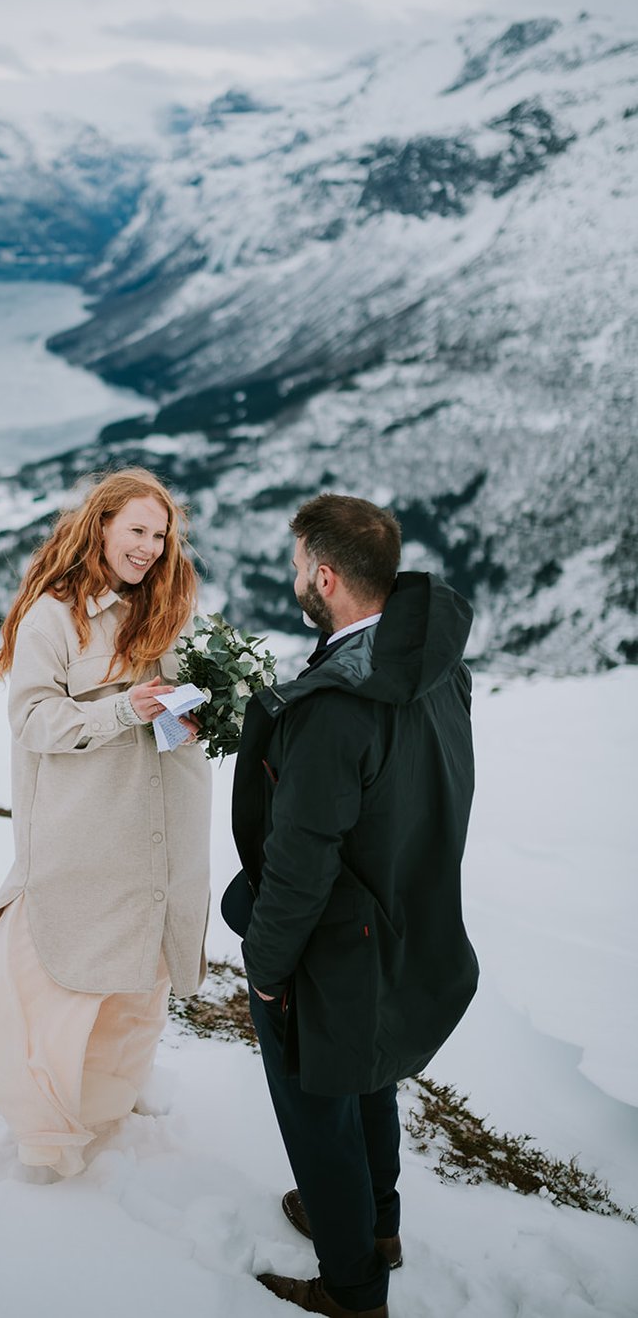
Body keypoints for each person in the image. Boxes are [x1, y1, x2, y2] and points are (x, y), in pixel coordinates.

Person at [223, 493, 478, 1318]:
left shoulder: (337, 710)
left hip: (334, 941)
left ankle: (353, 1283)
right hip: (401, 916)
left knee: (318, 1109)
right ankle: (380, 1226)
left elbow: (299, 865)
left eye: (300, 564)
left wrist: (265, 970)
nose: (296, 574)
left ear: (325, 577)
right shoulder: (434, 666)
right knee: (369, 1078)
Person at [0, 467, 211, 1177]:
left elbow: (177, 698)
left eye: (159, 535)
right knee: (59, 969)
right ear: (101, 524)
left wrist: (197, 710)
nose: (148, 547)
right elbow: (33, 718)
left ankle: (107, 1097)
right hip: (86, 826)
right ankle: (41, 1121)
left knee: (140, 973)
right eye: (137, 530)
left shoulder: (165, 607)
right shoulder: (54, 614)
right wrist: (123, 708)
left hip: (161, 819)